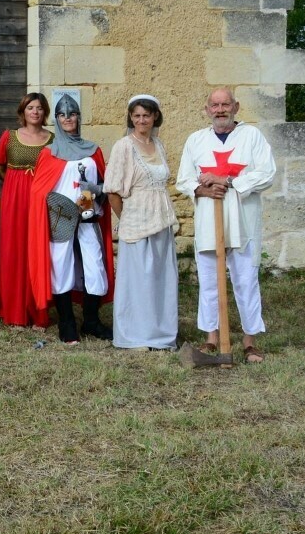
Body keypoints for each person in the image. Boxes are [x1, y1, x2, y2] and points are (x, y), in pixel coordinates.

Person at [175, 87, 276, 363]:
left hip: (243, 220)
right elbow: (183, 180)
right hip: (209, 221)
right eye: (215, 105)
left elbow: (266, 174)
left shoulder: (251, 136)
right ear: (207, 110)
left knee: (245, 280)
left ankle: (249, 342)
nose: (220, 110)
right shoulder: (196, 140)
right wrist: (202, 190)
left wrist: (228, 181)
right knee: (209, 281)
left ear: (236, 107)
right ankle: (211, 339)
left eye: (225, 104)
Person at [27, 94, 115, 344]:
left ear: (79, 117)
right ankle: (66, 323)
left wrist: (97, 190)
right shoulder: (48, 153)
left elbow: (103, 184)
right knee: (61, 266)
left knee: (94, 265)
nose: (68, 118)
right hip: (61, 216)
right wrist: (53, 207)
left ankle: (91, 321)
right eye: (63, 115)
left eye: (72, 113)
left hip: (87, 212)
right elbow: (39, 190)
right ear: (56, 119)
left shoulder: (93, 150)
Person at [105, 95, 179, 350]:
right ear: (131, 118)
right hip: (136, 219)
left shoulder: (159, 145)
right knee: (138, 280)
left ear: (155, 116)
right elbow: (113, 190)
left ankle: (160, 333)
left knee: (161, 278)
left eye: (146, 115)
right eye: (136, 116)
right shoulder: (123, 146)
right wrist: (125, 218)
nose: (141, 120)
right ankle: (135, 335)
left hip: (161, 218)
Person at [0, 93, 54, 328]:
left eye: (39, 108)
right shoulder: (10, 136)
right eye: (31, 107)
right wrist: (14, 184)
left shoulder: (52, 139)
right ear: (23, 111)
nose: (35, 112)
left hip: (41, 199)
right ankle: (13, 309)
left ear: (44, 112)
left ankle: (37, 309)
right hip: (14, 199)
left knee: (37, 249)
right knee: (14, 248)